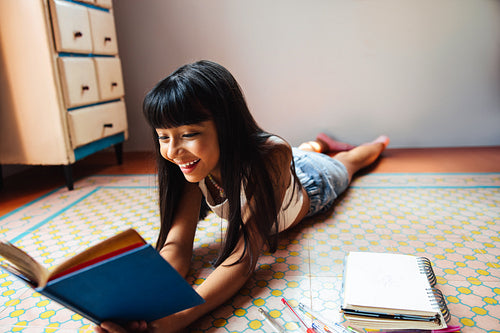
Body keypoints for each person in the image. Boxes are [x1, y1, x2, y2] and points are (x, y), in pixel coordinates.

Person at [95, 60, 389, 333]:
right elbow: (177, 245)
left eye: (189, 134)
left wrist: (178, 317)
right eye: (163, 136)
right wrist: (143, 303)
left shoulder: (271, 155)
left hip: (312, 181)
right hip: (282, 165)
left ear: (226, 125)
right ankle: (317, 143)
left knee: (351, 162)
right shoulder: (189, 164)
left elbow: (244, 253)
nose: (172, 151)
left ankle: (375, 143)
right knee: (301, 151)